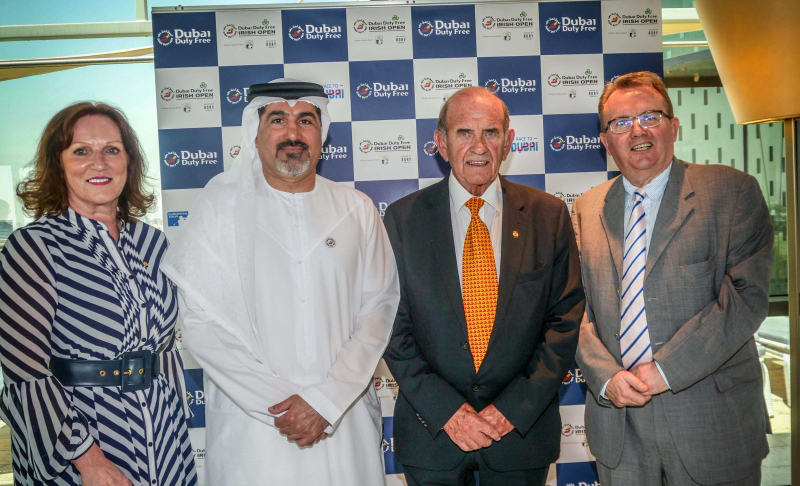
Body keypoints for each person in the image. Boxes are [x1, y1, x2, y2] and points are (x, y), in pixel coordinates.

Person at [161, 79, 400, 486]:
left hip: (342, 419)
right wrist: (282, 405)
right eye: (277, 120)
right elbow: (201, 324)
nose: (293, 133)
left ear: (321, 134)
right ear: (254, 134)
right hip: (255, 427)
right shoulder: (220, 209)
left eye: (305, 120)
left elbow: (378, 311)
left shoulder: (356, 208)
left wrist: (326, 400)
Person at [572, 71, 773, 485]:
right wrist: (605, 376)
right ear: (605, 141)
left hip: (711, 423)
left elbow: (745, 298)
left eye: (650, 116)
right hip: (620, 429)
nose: (637, 131)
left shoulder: (731, 191)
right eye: (621, 122)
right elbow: (572, 308)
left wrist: (664, 370)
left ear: (674, 126)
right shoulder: (586, 208)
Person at [383, 86, 584, 485]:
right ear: (441, 143)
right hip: (432, 435)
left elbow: (563, 322)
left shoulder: (548, 215)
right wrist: (447, 412)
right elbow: (391, 325)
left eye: (490, 132)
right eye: (464, 133)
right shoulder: (403, 219)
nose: (478, 146)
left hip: (520, 435)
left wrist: (512, 409)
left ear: (508, 142)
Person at [0, 102, 197, 486]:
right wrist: (88, 461)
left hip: (162, 433)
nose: (99, 163)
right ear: (58, 164)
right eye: (81, 151)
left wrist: (175, 421)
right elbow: (25, 372)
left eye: (111, 149)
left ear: (129, 162)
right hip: (80, 445)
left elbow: (164, 347)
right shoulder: (34, 246)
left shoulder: (153, 242)